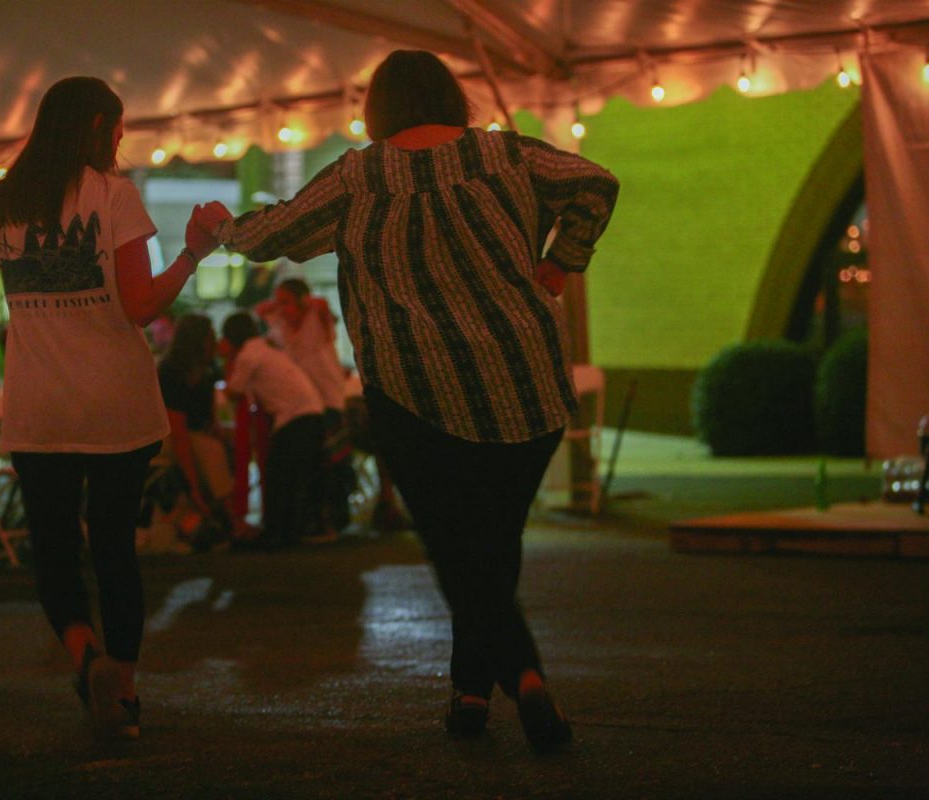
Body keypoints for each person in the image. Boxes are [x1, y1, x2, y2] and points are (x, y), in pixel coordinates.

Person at [193, 49, 619, 751]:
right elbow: (596, 184)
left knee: (459, 550)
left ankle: (527, 677)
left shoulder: (358, 177)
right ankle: (472, 690)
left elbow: (274, 234)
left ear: (378, 108)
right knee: (491, 544)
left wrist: (220, 226)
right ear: (451, 98)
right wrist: (559, 262)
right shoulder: (509, 155)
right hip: (526, 383)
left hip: (415, 390)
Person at [0, 76, 214, 740]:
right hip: (114, 404)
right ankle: (128, 691)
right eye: (116, 127)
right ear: (96, 127)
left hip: (39, 404)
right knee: (114, 549)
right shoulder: (113, 195)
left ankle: (86, 659)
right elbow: (139, 305)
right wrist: (194, 252)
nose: (120, 139)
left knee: (54, 550)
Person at [219, 310, 326, 548]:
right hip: (308, 414)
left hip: (295, 417)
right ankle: (285, 533)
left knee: (279, 478)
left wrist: (224, 361)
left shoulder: (248, 355)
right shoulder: (264, 349)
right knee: (287, 478)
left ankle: (277, 534)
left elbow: (233, 392)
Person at [255, 278, 353, 535]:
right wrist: (278, 306)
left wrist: (305, 304)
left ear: (302, 300)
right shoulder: (282, 325)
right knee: (311, 465)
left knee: (333, 463)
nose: (281, 308)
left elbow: (323, 307)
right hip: (305, 405)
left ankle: (335, 521)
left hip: (329, 399)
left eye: (286, 301)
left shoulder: (317, 317)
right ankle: (311, 521)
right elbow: (260, 312)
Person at [155, 313, 234, 537]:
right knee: (212, 450)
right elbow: (177, 430)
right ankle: (230, 516)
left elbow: (211, 420)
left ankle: (224, 511)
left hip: (192, 432)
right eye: (211, 337)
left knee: (224, 444)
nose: (216, 342)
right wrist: (194, 488)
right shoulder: (171, 373)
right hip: (171, 435)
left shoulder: (207, 372)